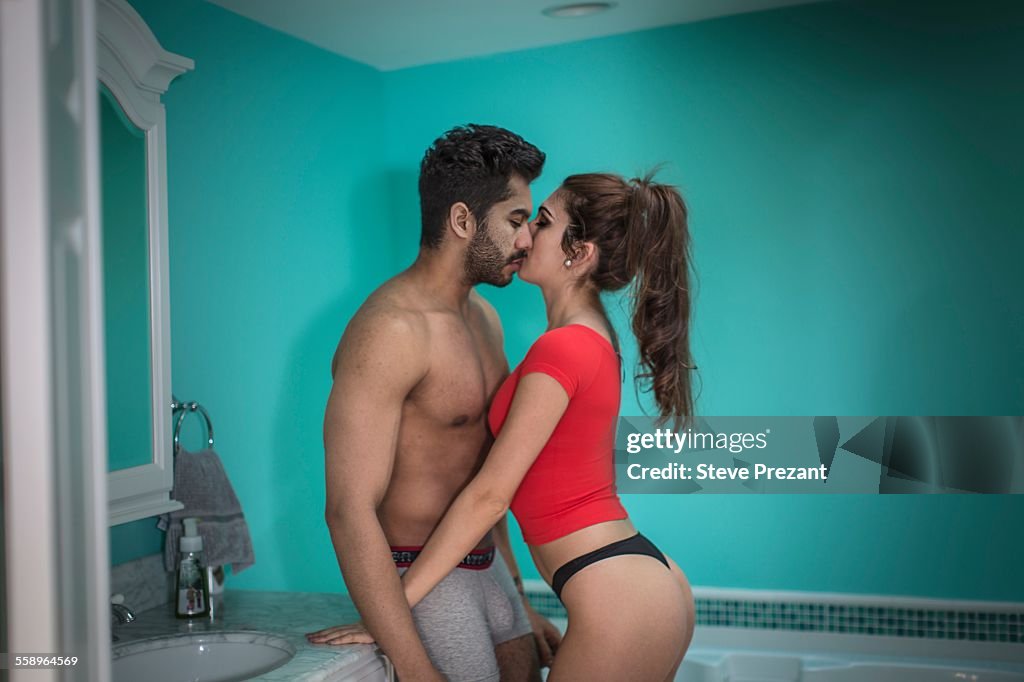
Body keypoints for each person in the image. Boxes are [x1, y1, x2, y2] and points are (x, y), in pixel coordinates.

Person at [323, 171, 698, 680]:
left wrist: (390, 610)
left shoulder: (560, 347)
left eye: (541, 222)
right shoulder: (589, 336)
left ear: (579, 253)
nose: (525, 237)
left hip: (619, 596)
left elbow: (490, 494)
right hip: (638, 580)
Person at [306, 125, 562, 682]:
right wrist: (416, 669)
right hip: (422, 581)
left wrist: (520, 599)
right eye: (516, 221)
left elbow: (484, 480)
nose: (527, 241)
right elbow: (348, 510)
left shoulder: (484, 319)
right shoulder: (390, 331)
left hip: (490, 573)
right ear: (464, 221)